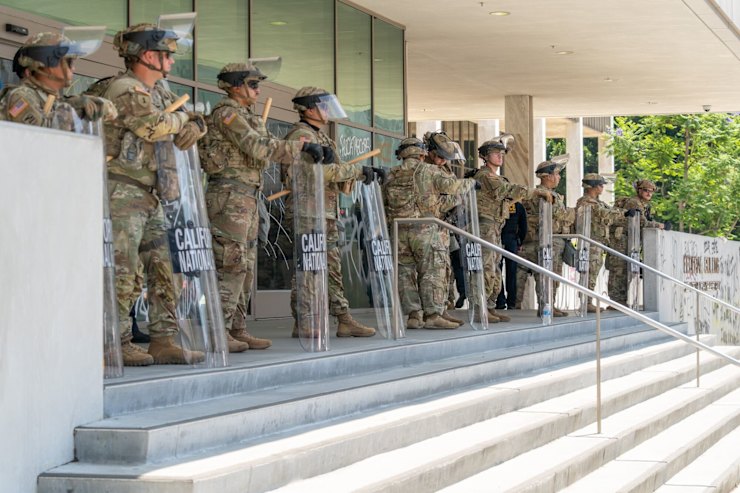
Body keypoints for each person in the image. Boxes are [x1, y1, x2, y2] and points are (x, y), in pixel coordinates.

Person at [96, 23, 208, 365]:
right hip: (122, 190)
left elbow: (185, 117)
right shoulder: (125, 88)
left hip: (150, 193)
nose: (171, 63)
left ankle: (163, 339)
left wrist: (194, 124)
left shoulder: (158, 91)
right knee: (123, 270)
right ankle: (113, 343)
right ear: (147, 55)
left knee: (164, 268)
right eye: (167, 56)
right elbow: (153, 125)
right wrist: (182, 122)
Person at [199, 62, 313, 351]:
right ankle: (219, 330)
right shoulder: (227, 114)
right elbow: (259, 147)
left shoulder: (246, 115)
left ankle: (237, 327)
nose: (258, 90)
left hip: (247, 196)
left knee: (246, 267)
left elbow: (264, 148)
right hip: (229, 196)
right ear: (235, 85)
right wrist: (300, 147)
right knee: (230, 265)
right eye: (252, 84)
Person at [286, 86, 379, 338]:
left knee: (331, 267)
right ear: (309, 108)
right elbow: (321, 172)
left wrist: (354, 174)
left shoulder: (323, 138)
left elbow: (335, 176)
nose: (327, 111)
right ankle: (304, 320)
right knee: (309, 267)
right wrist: (356, 171)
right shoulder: (301, 136)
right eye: (323, 106)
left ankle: (343, 317)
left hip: (324, 212)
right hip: (308, 212)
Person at [384, 137, 478, 329]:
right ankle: (433, 315)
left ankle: (413, 315)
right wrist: (471, 183)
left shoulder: (391, 174)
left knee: (405, 274)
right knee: (431, 273)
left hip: (398, 231)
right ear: (421, 153)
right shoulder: (429, 170)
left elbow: (384, 204)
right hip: (425, 230)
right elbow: (452, 187)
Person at [473, 136, 553, 322]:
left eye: (502, 153)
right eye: (496, 153)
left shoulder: (495, 176)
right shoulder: (485, 176)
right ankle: (481, 308)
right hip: (485, 225)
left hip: (495, 226)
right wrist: (536, 191)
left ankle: (490, 306)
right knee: (486, 268)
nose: (500, 157)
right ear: (485, 156)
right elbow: (508, 190)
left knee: (494, 269)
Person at [0, 32, 114, 127]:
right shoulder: (20, 97)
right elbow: (39, 133)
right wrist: (76, 110)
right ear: (47, 63)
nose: (73, 68)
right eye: (69, 62)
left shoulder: (53, 100)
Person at [515, 158, 575, 316]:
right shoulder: (545, 195)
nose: (559, 177)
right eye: (556, 174)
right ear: (547, 176)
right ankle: (546, 306)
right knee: (549, 276)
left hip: (543, 240)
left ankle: (548, 304)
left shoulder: (544, 194)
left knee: (550, 277)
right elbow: (562, 215)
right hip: (547, 241)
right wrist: (571, 213)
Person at [423, 131, 466, 327]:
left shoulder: (444, 167)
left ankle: (444, 307)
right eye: (439, 157)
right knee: (432, 273)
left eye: (445, 158)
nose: (442, 161)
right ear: (430, 152)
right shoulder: (425, 169)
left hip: (444, 225)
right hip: (429, 225)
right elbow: (434, 199)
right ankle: (431, 312)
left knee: (445, 270)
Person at [575, 173, 632, 311]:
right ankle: (586, 301)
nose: (602, 187)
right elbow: (604, 213)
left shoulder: (598, 202)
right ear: (593, 186)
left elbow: (611, 211)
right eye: (600, 185)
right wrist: (624, 213)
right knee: (589, 272)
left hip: (598, 243)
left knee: (593, 272)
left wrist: (625, 213)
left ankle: (588, 300)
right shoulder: (586, 201)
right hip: (590, 243)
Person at [607, 179, 663, 305]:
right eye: (645, 190)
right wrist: (659, 225)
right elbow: (641, 222)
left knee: (627, 270)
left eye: (651, 191)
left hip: (631, 240)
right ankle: (616, 301)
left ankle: (621, 301)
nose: (649, 193)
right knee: (619, 270)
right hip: (621, 240)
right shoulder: (634, 203)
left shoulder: (644, 205)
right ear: (639, 190)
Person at [496, 201, 527, 310]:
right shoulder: (517, 205)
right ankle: (511, 302)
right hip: (511, 240)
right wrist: (519, 241)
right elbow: (523, 226)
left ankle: (500, 301)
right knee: (512, 272)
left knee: (497, 271)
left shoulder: (497, 202)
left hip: (497, 238)